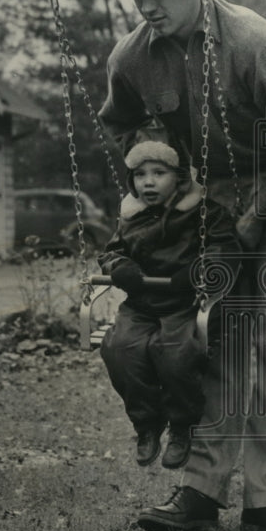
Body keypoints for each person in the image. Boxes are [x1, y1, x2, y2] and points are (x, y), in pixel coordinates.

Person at [99, 0, 266, 531]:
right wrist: (157, 173)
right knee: (214, 336)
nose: (148, 5)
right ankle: (200, 491)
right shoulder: (130, 56)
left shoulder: (252, 43)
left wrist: (257, 217)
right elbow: (119, 125)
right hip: (213, 196)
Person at [99, 140, 241, 472]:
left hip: (186, 303)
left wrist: (194, 272)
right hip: (141, 305)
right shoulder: (131, 218)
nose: (147, 182)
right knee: (119, 349)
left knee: (175, 354)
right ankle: (147, 424)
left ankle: (181, 426)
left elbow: (224, 250)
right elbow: (110, 252)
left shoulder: (204, 213)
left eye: (158, 173)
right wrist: (120, 267)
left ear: (179, 178)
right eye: (139, 175)